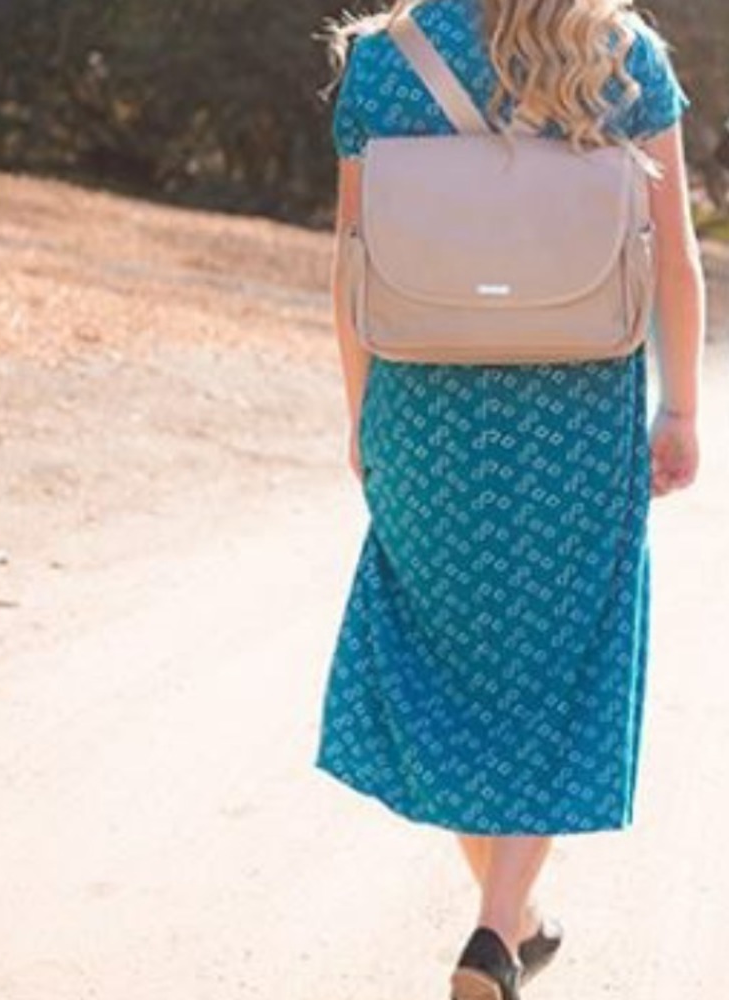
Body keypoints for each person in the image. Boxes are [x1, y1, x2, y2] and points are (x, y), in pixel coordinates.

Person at [313, 1, 706, 998]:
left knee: (437, 660)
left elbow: (350, 260)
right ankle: (499, 924)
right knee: (561, 666)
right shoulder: (620, 53)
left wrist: (362, 417)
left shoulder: (381, 61)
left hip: (424, 403)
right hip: (576, 415)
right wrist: (681, 412)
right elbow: (673, 255)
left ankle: (509, 918)